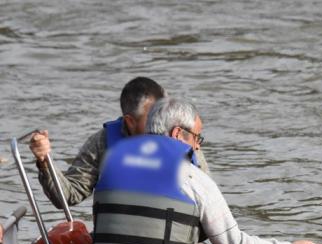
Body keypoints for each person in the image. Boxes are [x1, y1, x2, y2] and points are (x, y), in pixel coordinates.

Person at [84, 97, 320, 244]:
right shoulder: (192, 177)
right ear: (178, 134)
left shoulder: (111, 169)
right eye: (197, 137)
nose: (198, 146)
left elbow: (128, 233)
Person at [28, 77, 209, 209]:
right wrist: (45, 161)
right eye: (153, 117)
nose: (161, 122)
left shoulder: (184, 141)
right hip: (116, 243)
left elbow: (209, 207)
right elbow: (68, 196)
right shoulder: (103, 143)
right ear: (129, 121)